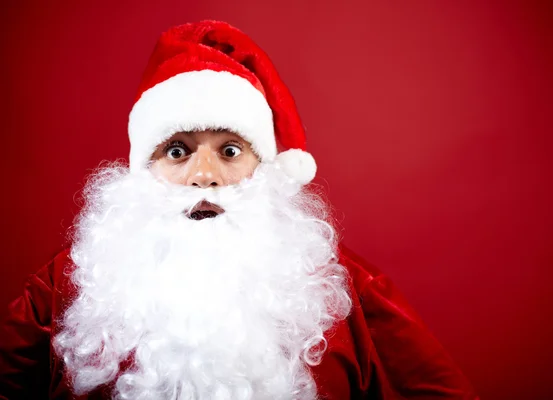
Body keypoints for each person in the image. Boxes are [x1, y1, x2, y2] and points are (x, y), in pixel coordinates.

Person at [0, 21, 477, 399]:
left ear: (264, 166)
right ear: (142, 166)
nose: (203, 175)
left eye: (229, 151)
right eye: (177, 150)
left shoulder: (344, 288)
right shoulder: (64, 286)